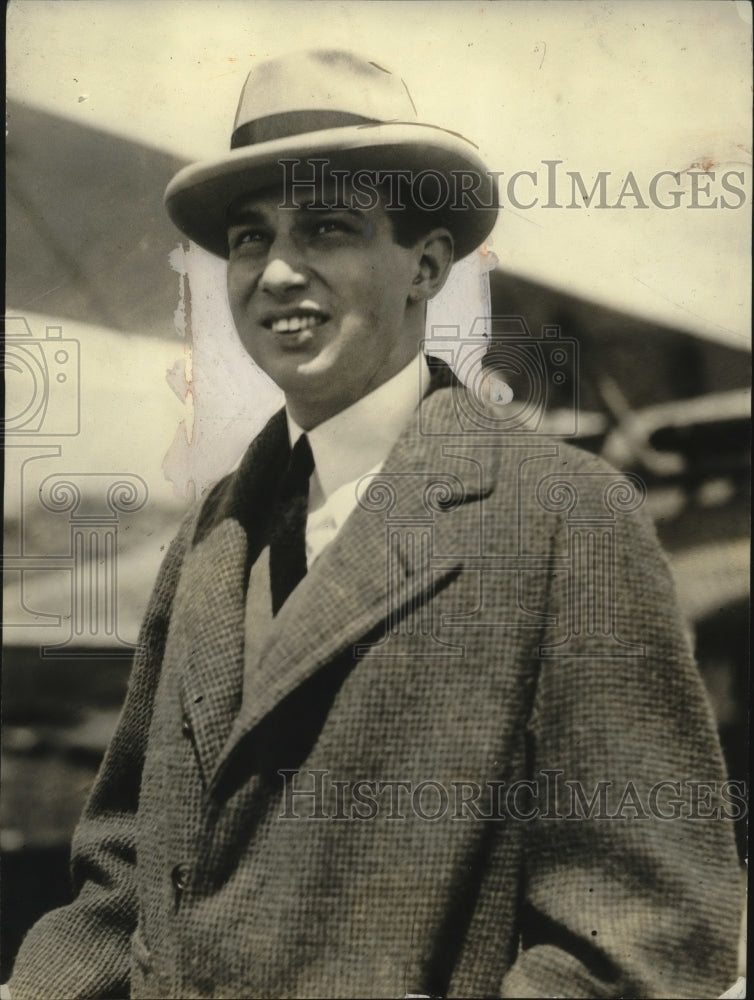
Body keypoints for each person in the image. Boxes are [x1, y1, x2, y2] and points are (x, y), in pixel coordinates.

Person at [7, 48, 743, 1000]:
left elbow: (648, 936)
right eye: (249, 237)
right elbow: (122, 873)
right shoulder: (209, 532)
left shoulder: (570, 518)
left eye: (328, 227)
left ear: (426, 265)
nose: (277, 272)